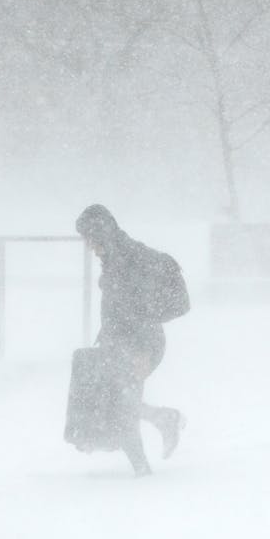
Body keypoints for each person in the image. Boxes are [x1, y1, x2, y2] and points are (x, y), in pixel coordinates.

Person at [73, 204, 187, 476]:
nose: (88, 246)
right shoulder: (117, 257)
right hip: (121, 344)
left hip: (140, 346)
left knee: (120, 412)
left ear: (100, 234)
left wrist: (142, 351)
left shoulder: (129, 259)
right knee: (120, 404)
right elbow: (120, 308)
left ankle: (143, 475)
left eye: (89, 238)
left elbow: (139, 309)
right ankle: (165, 419)